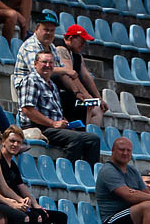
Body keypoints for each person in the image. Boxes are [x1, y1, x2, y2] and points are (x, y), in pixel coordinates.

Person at [11, 14, 97, 160]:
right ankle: (70, 172)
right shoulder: (31, 56)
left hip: (52, 120)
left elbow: (62, 73)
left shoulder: (51, 81)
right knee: (75, 138)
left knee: (92, 138)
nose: (48, 66)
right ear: (37, 29)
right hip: (39, 122)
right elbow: (27, 109)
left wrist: (78, 93)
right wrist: (53, 123)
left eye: (52, 30)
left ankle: (89, 175)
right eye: (46, 30)